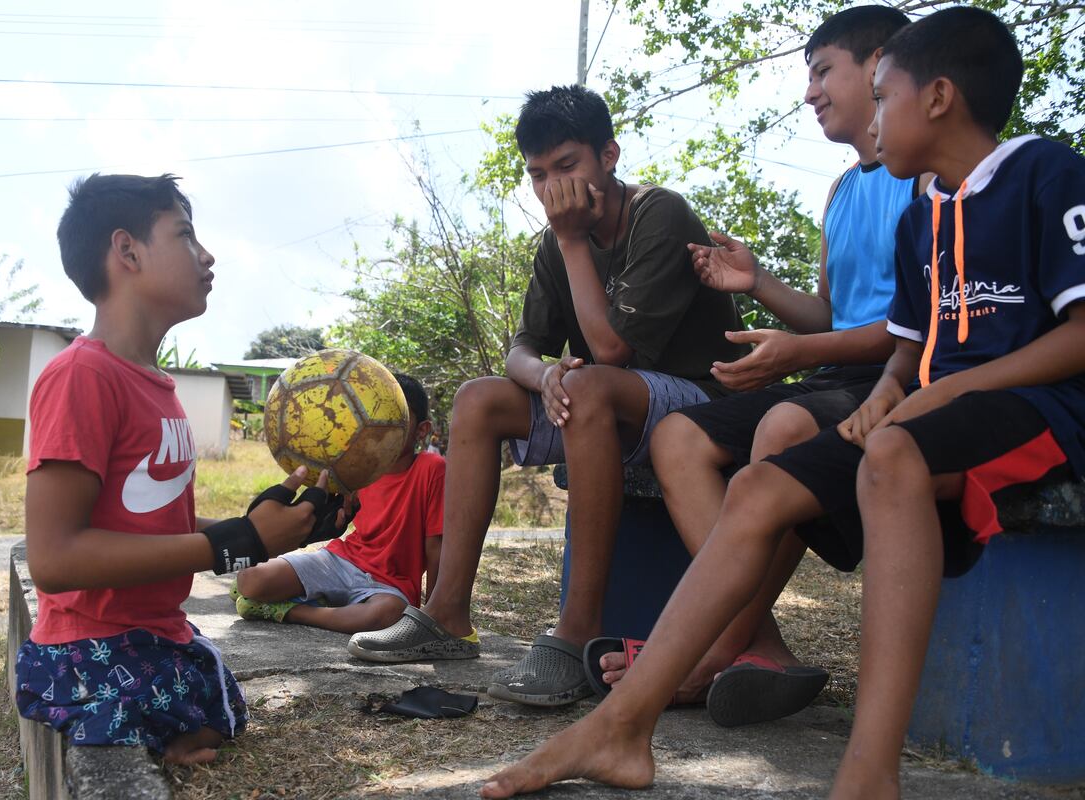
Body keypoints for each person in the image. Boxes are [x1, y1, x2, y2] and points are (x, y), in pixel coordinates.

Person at [478, 8, 1085, 798]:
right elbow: (909, 344)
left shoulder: (1046, 173)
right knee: (762, 485)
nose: (869, 114)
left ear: (937, 97)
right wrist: (897, 390)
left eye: (882, 94)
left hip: (1044, 412)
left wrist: (927, 397)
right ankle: (622, 727)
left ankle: (868, 775)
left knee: (892, 453)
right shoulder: (925, 213)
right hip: (931, 414)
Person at [348, 84, 749, 707]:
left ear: (608, 156)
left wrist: (570, 241)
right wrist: (543, 376)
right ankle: (448, 610)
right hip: (612, 400)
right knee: (478, 400)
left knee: (589, 384)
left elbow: (613, 350)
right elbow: (522, 348)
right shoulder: (553, 244)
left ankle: (576, 627)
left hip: (703, 402)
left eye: (567, 167)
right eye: (538, 175)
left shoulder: (658, 215)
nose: (552, 188)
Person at [596, 5, 918, 726]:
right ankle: (756, 642)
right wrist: (760, 285)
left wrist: (797, 357)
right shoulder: (841, 191)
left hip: (897, 376)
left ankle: (704, 649)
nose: (810, 93)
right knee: (678, 436)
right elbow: (835, 315)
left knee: (782, 426)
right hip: (837, 372)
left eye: (821, 71)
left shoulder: (925, 178)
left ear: (879, 67)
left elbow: (910, 330)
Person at [13, 173, 349, 766]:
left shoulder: (159, 387)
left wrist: (265, 530)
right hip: (90, 641)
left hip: (152, 628)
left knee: (218, 700)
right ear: (127, 251)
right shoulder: (82, 377)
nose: (207, 254)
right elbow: (54, 559)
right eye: (186, 235)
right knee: (199, 710)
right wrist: (232, 543)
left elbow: (152, 526)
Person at [231, 374, 445, 634]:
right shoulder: (358, 465)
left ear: (421, 430)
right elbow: (334, 518)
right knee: (250, 581)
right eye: (376, 411)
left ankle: (291, 610)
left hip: (390, 584)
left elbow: (436, 546)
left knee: (387, 615)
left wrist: (433, 617)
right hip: (341, 561)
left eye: (397, 416)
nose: (382, 422)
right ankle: (321, 601)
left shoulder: (432, 468)